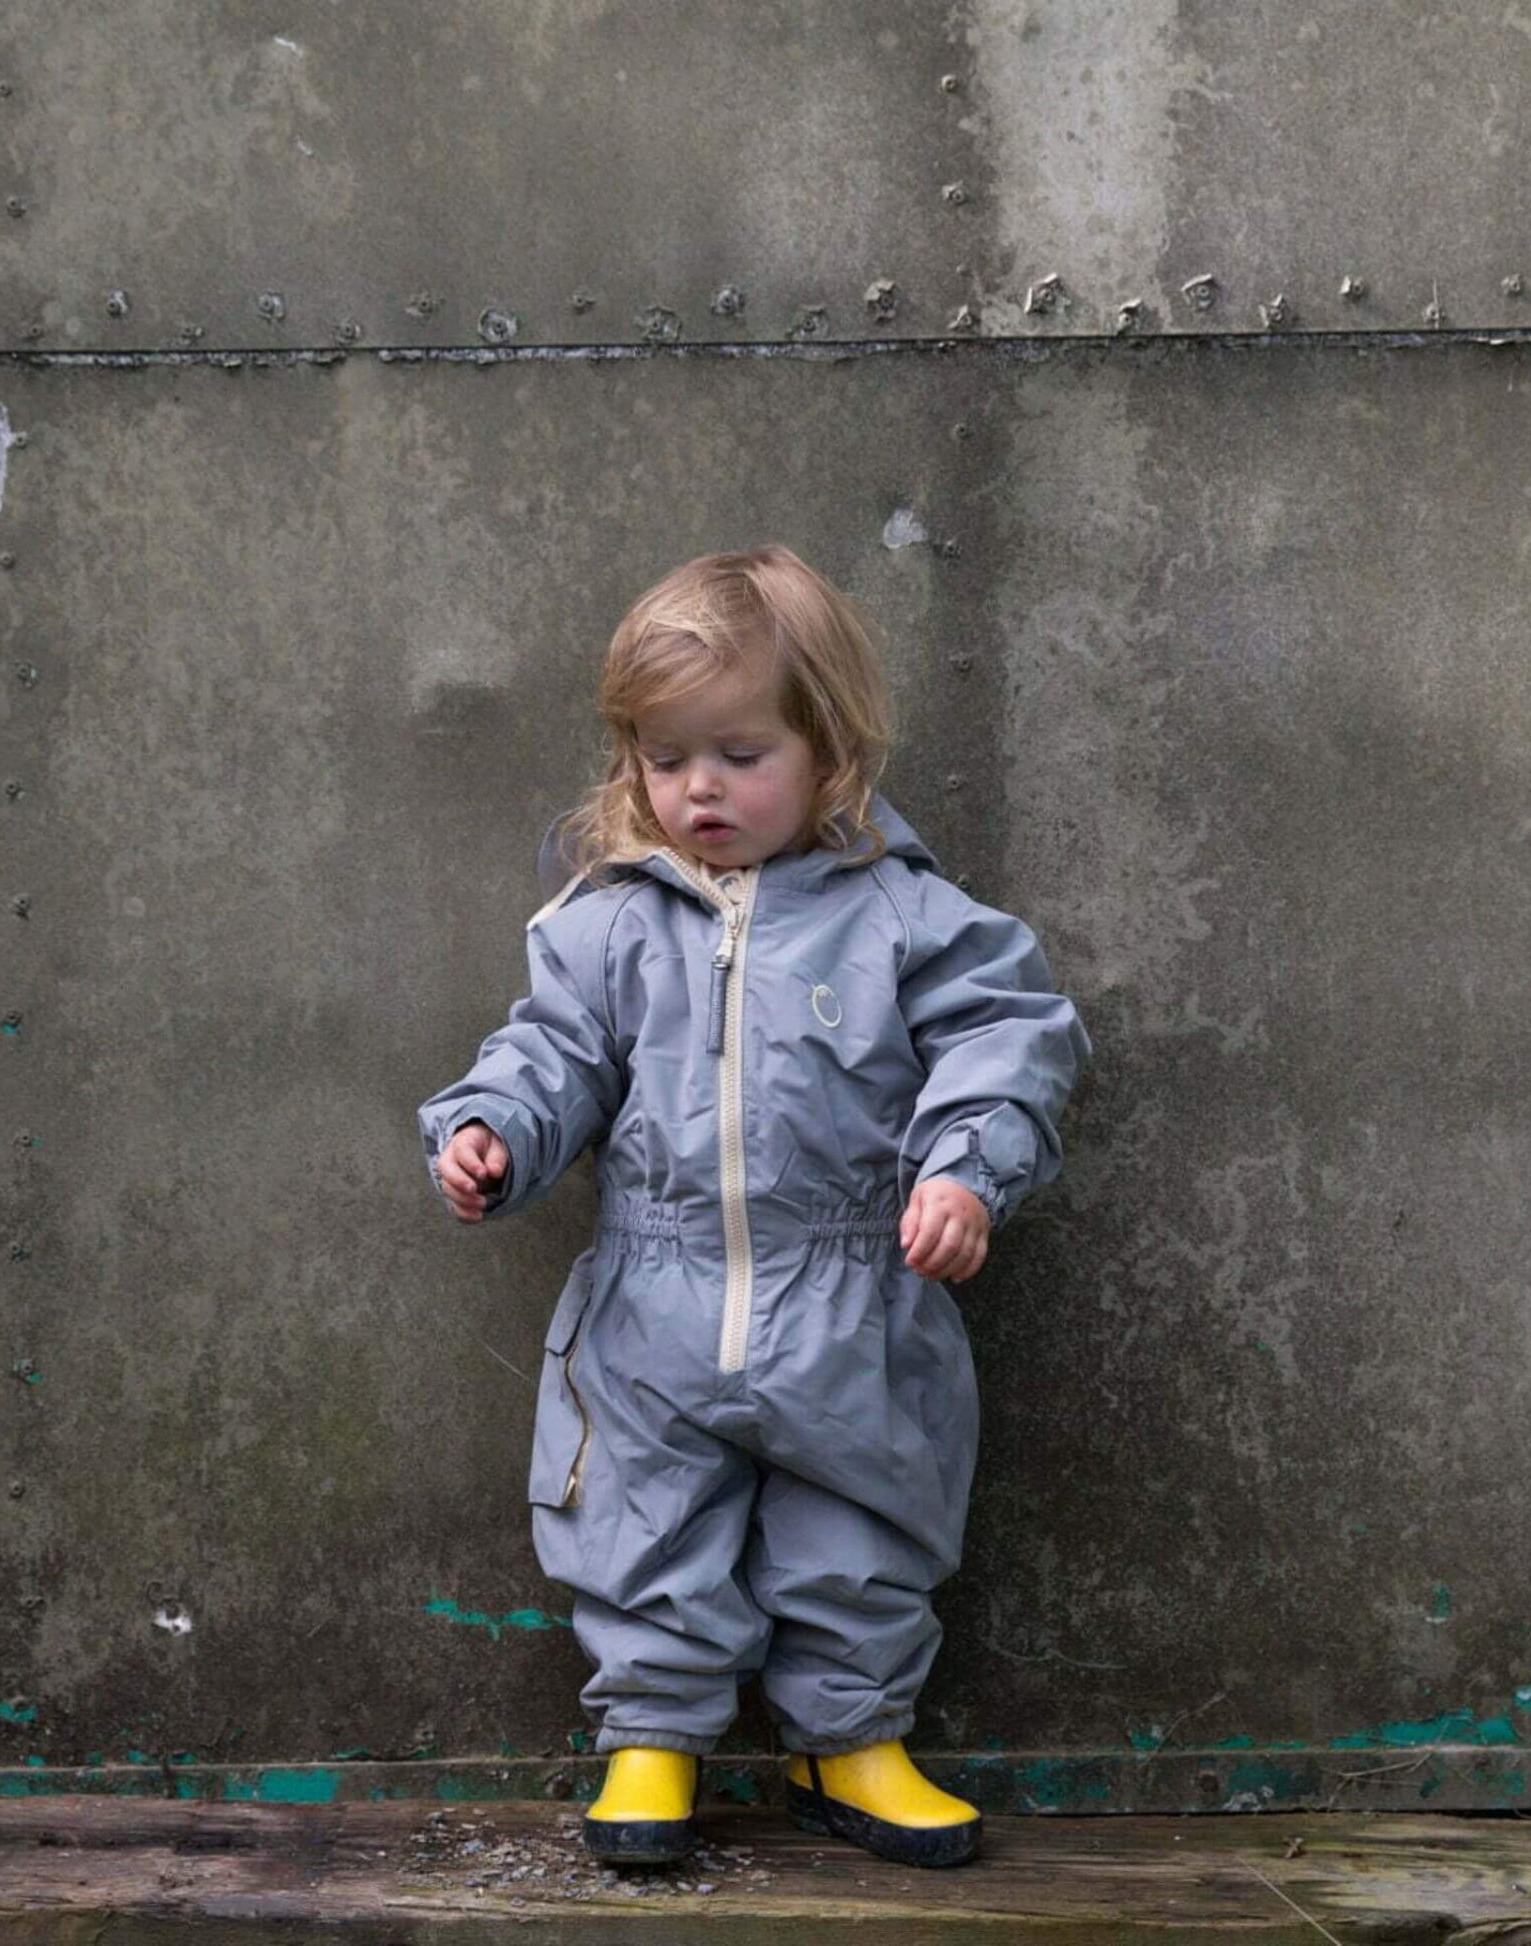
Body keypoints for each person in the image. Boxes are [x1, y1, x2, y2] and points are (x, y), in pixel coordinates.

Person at [416, 545, 1089, 1869]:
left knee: (861, 1530)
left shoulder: (903, 915)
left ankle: (851, 1743)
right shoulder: (606, 925)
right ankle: (652, 1739)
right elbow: (547, 1054)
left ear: (827, 751)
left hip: (852, 1288)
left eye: (736, 751)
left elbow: (1009, 1040)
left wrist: (962, 1167)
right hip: (650, 1309)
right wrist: (492, 1133)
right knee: (640, 1522)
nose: (698, 788)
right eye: (665, 760)